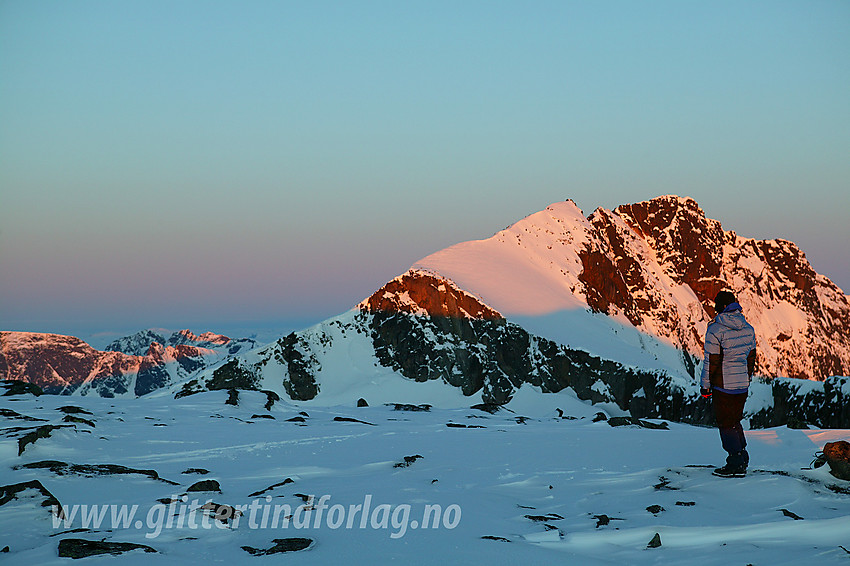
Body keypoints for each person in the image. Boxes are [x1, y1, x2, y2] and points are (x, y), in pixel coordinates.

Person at [700, 290, 757, 478]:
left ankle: (735, 462)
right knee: (734, 421)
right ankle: (742, 456)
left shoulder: (715, 329)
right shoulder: (748, 328)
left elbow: (712, 361)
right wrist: (746, 379)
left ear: (722, 306)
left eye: (716, 304)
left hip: (723, 385)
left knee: (725, 423)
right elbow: (751, 359)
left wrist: (705, 386)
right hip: (741, 384)